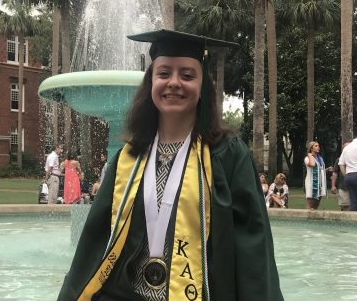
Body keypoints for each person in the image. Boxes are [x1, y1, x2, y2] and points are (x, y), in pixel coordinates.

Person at [57, 29, 283, 301]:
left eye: (187, 75)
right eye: (164, 73)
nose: (174, 82)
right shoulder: (129, 159)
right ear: (151, 82)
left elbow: (253, 252)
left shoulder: (228, 157)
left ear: (202, 87)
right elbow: (94, 245)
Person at [304, 141, 327, 210]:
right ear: (311, 148)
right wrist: (310, 155)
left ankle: (313, 218)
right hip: (311, 182)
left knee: (317, 202)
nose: (318, 147)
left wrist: (327, 170)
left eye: (318, 146)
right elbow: (312, 164)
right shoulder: (307, 158)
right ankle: (306, 218)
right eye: (316, 146)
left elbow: (320, 170)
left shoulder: (320, 159)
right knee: (310, 202)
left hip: (320, 183)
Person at [338, 137, 357, 211]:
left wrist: (346, 175)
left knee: (353, 201)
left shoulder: (346, 148)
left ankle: (352, 221)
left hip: (349, 176)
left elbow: (341, 163)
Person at [330, 142, 350, 211]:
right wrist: (333, 185)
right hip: (343, 187)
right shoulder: (339, 159)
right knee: (345, 207)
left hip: (354, 187)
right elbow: (335, 173)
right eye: (345, 148)